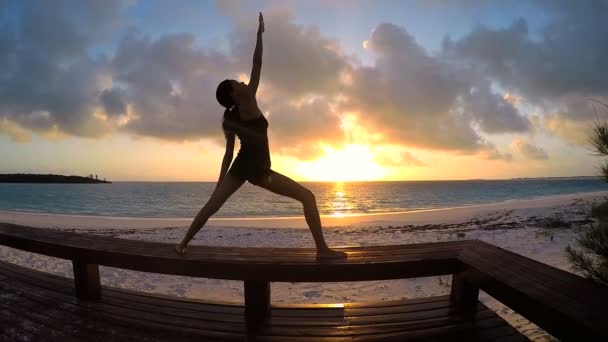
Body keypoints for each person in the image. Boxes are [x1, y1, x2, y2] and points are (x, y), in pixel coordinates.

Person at [176, 13, 346, 259]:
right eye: (237, 82)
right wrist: (259, 35)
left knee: (212, 206)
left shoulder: (235, 114)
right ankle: (322, 250)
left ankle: (182, 245)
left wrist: (220, 182)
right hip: (258, 171)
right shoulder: (246, 104)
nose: (243, 81)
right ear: (234, 94)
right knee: (307, 197)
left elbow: (228, 155)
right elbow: (257, 64)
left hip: (246, 167)